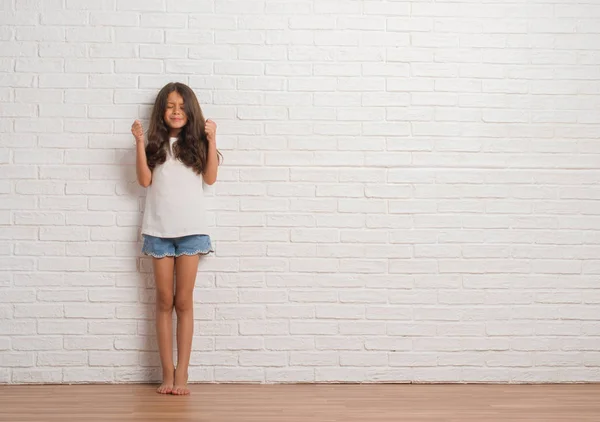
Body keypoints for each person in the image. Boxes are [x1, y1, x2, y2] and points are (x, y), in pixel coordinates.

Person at [131, 82, 221, 395]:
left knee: (183, 301)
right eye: (170, 106)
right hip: (158, 232)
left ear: (190, 110)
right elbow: (144, 181)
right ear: (162, 110)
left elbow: (210, 178)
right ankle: (166, 372)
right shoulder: (154, 144)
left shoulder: (197, 142)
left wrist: (212, 139)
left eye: (182, 106)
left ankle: (182, 372)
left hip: (191, 232)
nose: (176, 111)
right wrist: (139, 142)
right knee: (163, 301)